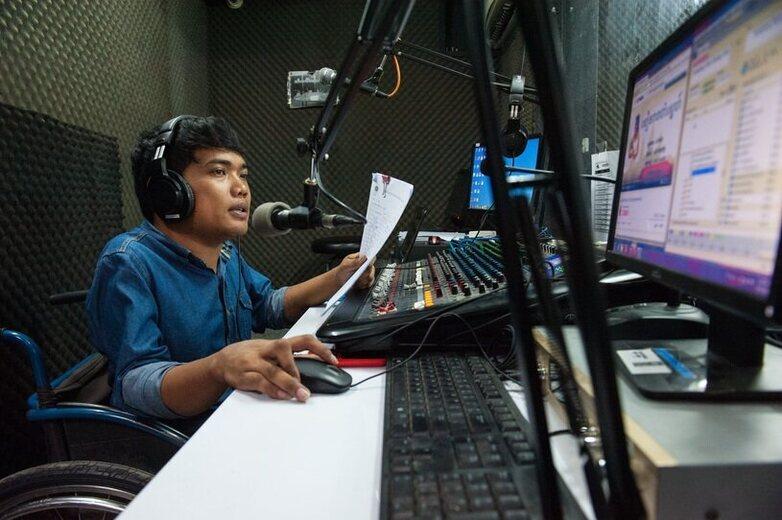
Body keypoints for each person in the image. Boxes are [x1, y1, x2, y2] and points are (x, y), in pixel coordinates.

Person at [86, 115, 374, 420]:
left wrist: (338, 277)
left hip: (235, 406)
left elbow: (267, 305)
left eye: (243, 174)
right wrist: (218, 368)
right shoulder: (128, 262)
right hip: (178, 437)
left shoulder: (224, 253)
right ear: (168, 191)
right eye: (219, 172)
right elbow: (137, 385)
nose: (242, 189)